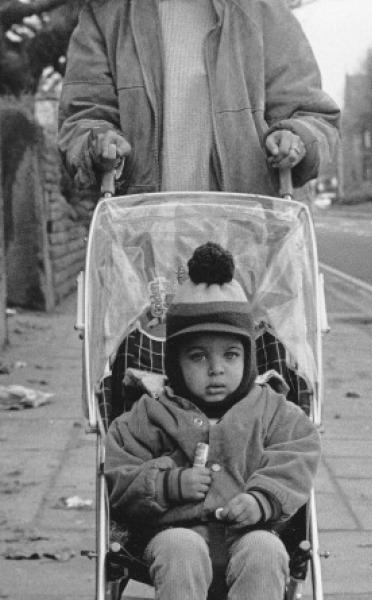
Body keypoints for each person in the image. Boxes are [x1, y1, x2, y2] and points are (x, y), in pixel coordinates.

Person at [105, 242, 321, 600]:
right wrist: (169, 484)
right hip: (173, 531)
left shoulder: (270, 408)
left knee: (266, 552)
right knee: (180, 548)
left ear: (248, 357)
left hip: (252, 531)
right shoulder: (153, 411)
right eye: (198, 356)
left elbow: (298, 454)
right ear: (175, 362)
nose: (216, 368)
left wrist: (262, 499)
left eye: (231, 355)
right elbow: (120, 473)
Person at [57, 0, 340, 197]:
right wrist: (98, 144)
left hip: (247, 242)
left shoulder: (263, 10)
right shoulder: (105, 15)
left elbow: (312, 115)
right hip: (142, 245)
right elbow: (82, 117)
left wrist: (296, 139)